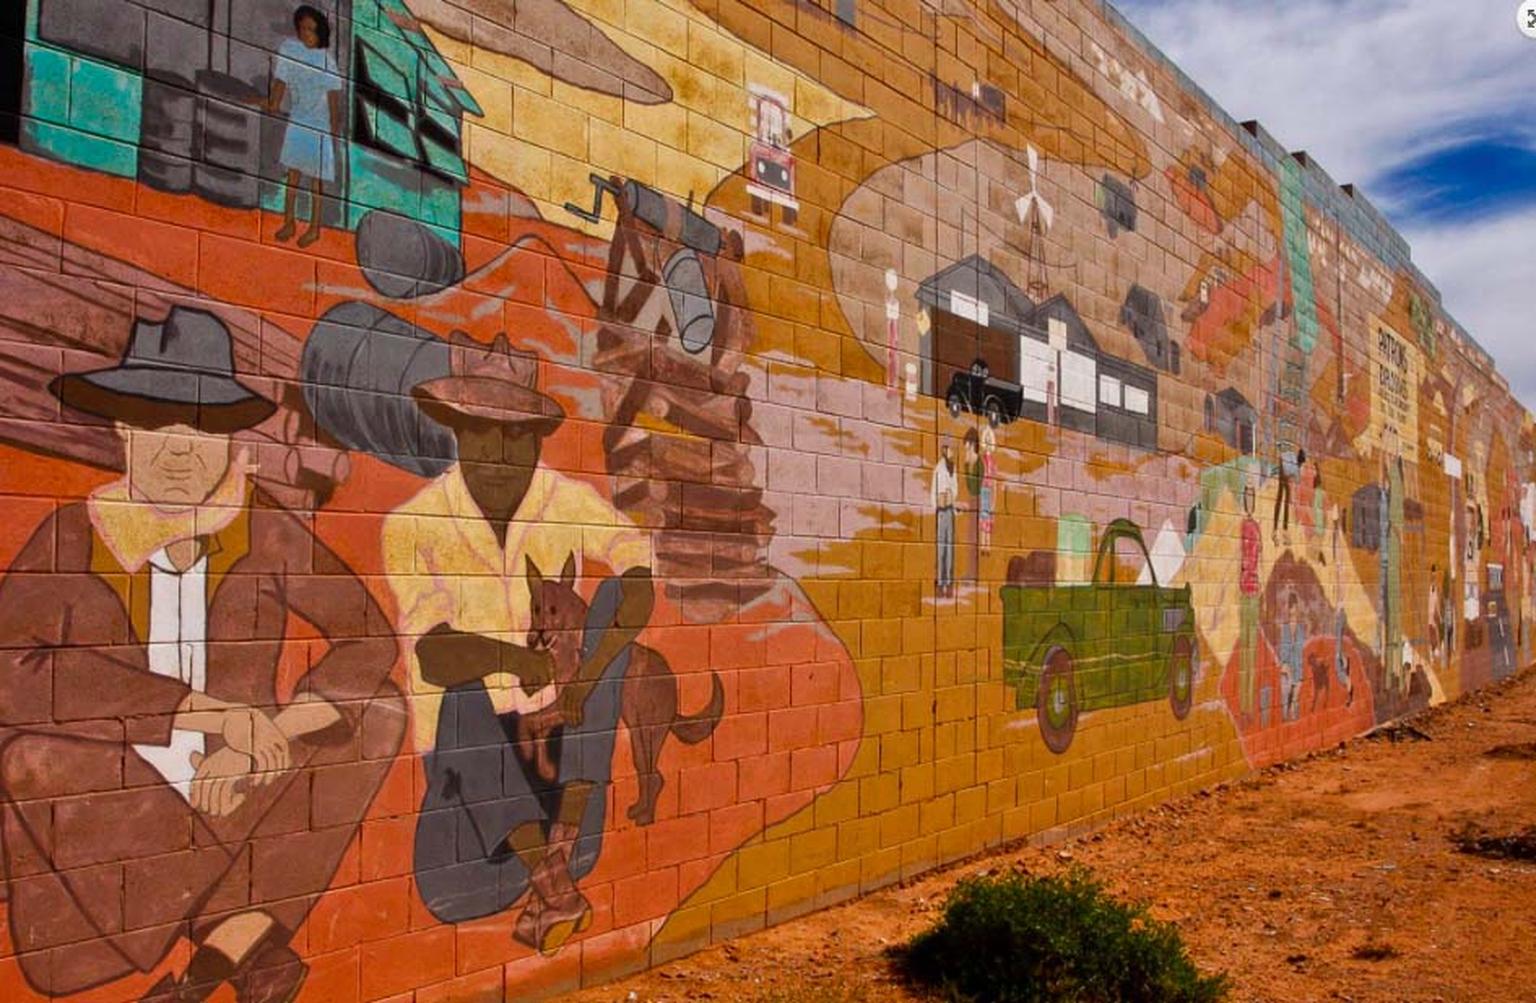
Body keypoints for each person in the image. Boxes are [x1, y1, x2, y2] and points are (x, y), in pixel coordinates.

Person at [0, 306, 404, 1002]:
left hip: (236, 790)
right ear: (123, 431)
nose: (182, 449)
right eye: (158, 424)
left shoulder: (260, 526)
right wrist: (200, 712)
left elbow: (368, 635)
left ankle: (207, 967)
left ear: (228, 440)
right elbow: (12, 672)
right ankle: (238, 942)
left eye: (204, 427)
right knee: (31, 757)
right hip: (108, 839)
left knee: (377, 710)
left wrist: (268, 732)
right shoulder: (72, 535)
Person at [381, 333, 654, 955]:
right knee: (459, 686)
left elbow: (636, 570)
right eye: (480, 433)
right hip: (470, 782)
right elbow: (434, 653)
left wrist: (583, 680)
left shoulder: (564, 502)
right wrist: (516, 659)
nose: (500, 453)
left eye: (516, 436)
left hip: (565, 775)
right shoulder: (413, 525)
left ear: (536, 439)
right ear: (455, 432)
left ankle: (556, 871)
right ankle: (549, 877)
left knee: (612, 607)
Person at [265, 5, 343, 247]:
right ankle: (288, 222)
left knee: (316, 181)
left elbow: (333, 100)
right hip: (298, 121)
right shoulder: (289, 50)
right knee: (293, 176)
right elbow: (281, 82)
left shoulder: (326, 61)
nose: (306, 33)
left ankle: (314, 228)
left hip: (319, 126)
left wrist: (332, 130)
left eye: (311, 29)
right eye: (302, 28)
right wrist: (272, 102)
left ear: (320, 33)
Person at [1239, 483, 1262, 720]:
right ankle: (1244, 704)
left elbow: (1261, 560)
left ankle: (1249, 705)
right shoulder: (1242, 526)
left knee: (1251, 651)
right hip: (1243, 592)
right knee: (1244, 649)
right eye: (1246, 497)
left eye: (1251, 497)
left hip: (1254, 592)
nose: (1249, 501)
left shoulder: (1255, 527)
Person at [932, 442, 958, 597]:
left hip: (949, 511)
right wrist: (938, 504)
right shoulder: (939, 469)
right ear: (944, 451)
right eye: (950, 449)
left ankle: (948, 583)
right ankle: (940, 583)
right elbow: (934, 492)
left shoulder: (952, 469)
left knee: (949, 549)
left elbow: (955, 489)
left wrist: (951, 497)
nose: (952, 452)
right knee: (941, 548)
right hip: (941, 512)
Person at [1279, 591, 1306, 721]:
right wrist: (1285, 665)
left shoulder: (1301, 629)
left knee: (1295, 701)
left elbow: (1301, 650)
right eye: (1291, 607)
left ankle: (1294, 724)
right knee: (1286, 702)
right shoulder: (1284, 629)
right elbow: (1282, 651)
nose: (1293, 611)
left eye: (1295, 607)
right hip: (1287, 669)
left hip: (1298, 669)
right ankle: (1286, 722)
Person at [979, 424, 997, 554]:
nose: (988, 441)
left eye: (989, 439)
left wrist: (994, 498)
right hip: (983, 490)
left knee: (989, 517)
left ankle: (988, 544)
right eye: (986, 439)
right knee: (983, 517)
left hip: (990, 490)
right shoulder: (982, 460)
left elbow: (994, 478)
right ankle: (983, 544)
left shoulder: (993, 461)